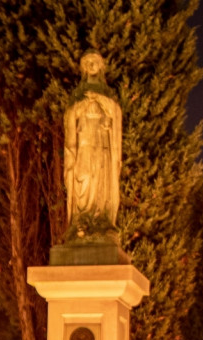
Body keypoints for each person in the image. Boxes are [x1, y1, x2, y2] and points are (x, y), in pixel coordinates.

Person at [63, 51, 122, 234]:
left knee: (101, 182)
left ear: (101, 66)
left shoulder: (107, 92)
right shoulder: (78, 93)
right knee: (84, 178)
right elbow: (69, 117)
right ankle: (81, 221)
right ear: (83, 67)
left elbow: (116, 114)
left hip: (102, 145)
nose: (91, 64)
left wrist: (101, 101)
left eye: (94, 61)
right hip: (83, 145)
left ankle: (101, 221)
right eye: (87, 62)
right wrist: (81, 106)